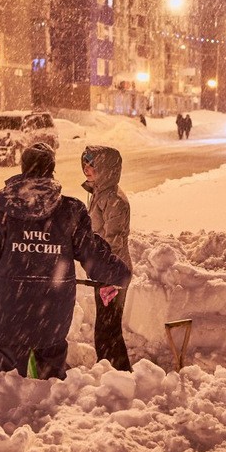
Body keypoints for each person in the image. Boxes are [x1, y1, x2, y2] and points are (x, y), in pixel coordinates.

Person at [0, 142, 131, 379]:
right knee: (50, 387)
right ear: (51, 170)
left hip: (7, 312)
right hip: (51, 315)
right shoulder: (70, 211)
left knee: (6, 386)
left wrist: (0, 278)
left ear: (24, 168)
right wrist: (119, 273)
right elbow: (93, 255)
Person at [81, 145, 132, 371]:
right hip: (105, 271)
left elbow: (114, 240)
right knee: (106, 327)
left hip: (113, 273)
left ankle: (117, 372)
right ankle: (114, 370)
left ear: (106, 168)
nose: (86, 168)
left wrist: (107, 275)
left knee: (108, 329)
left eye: (92, 164)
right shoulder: (101, 194)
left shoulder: (113, 200)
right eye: (85, 163)